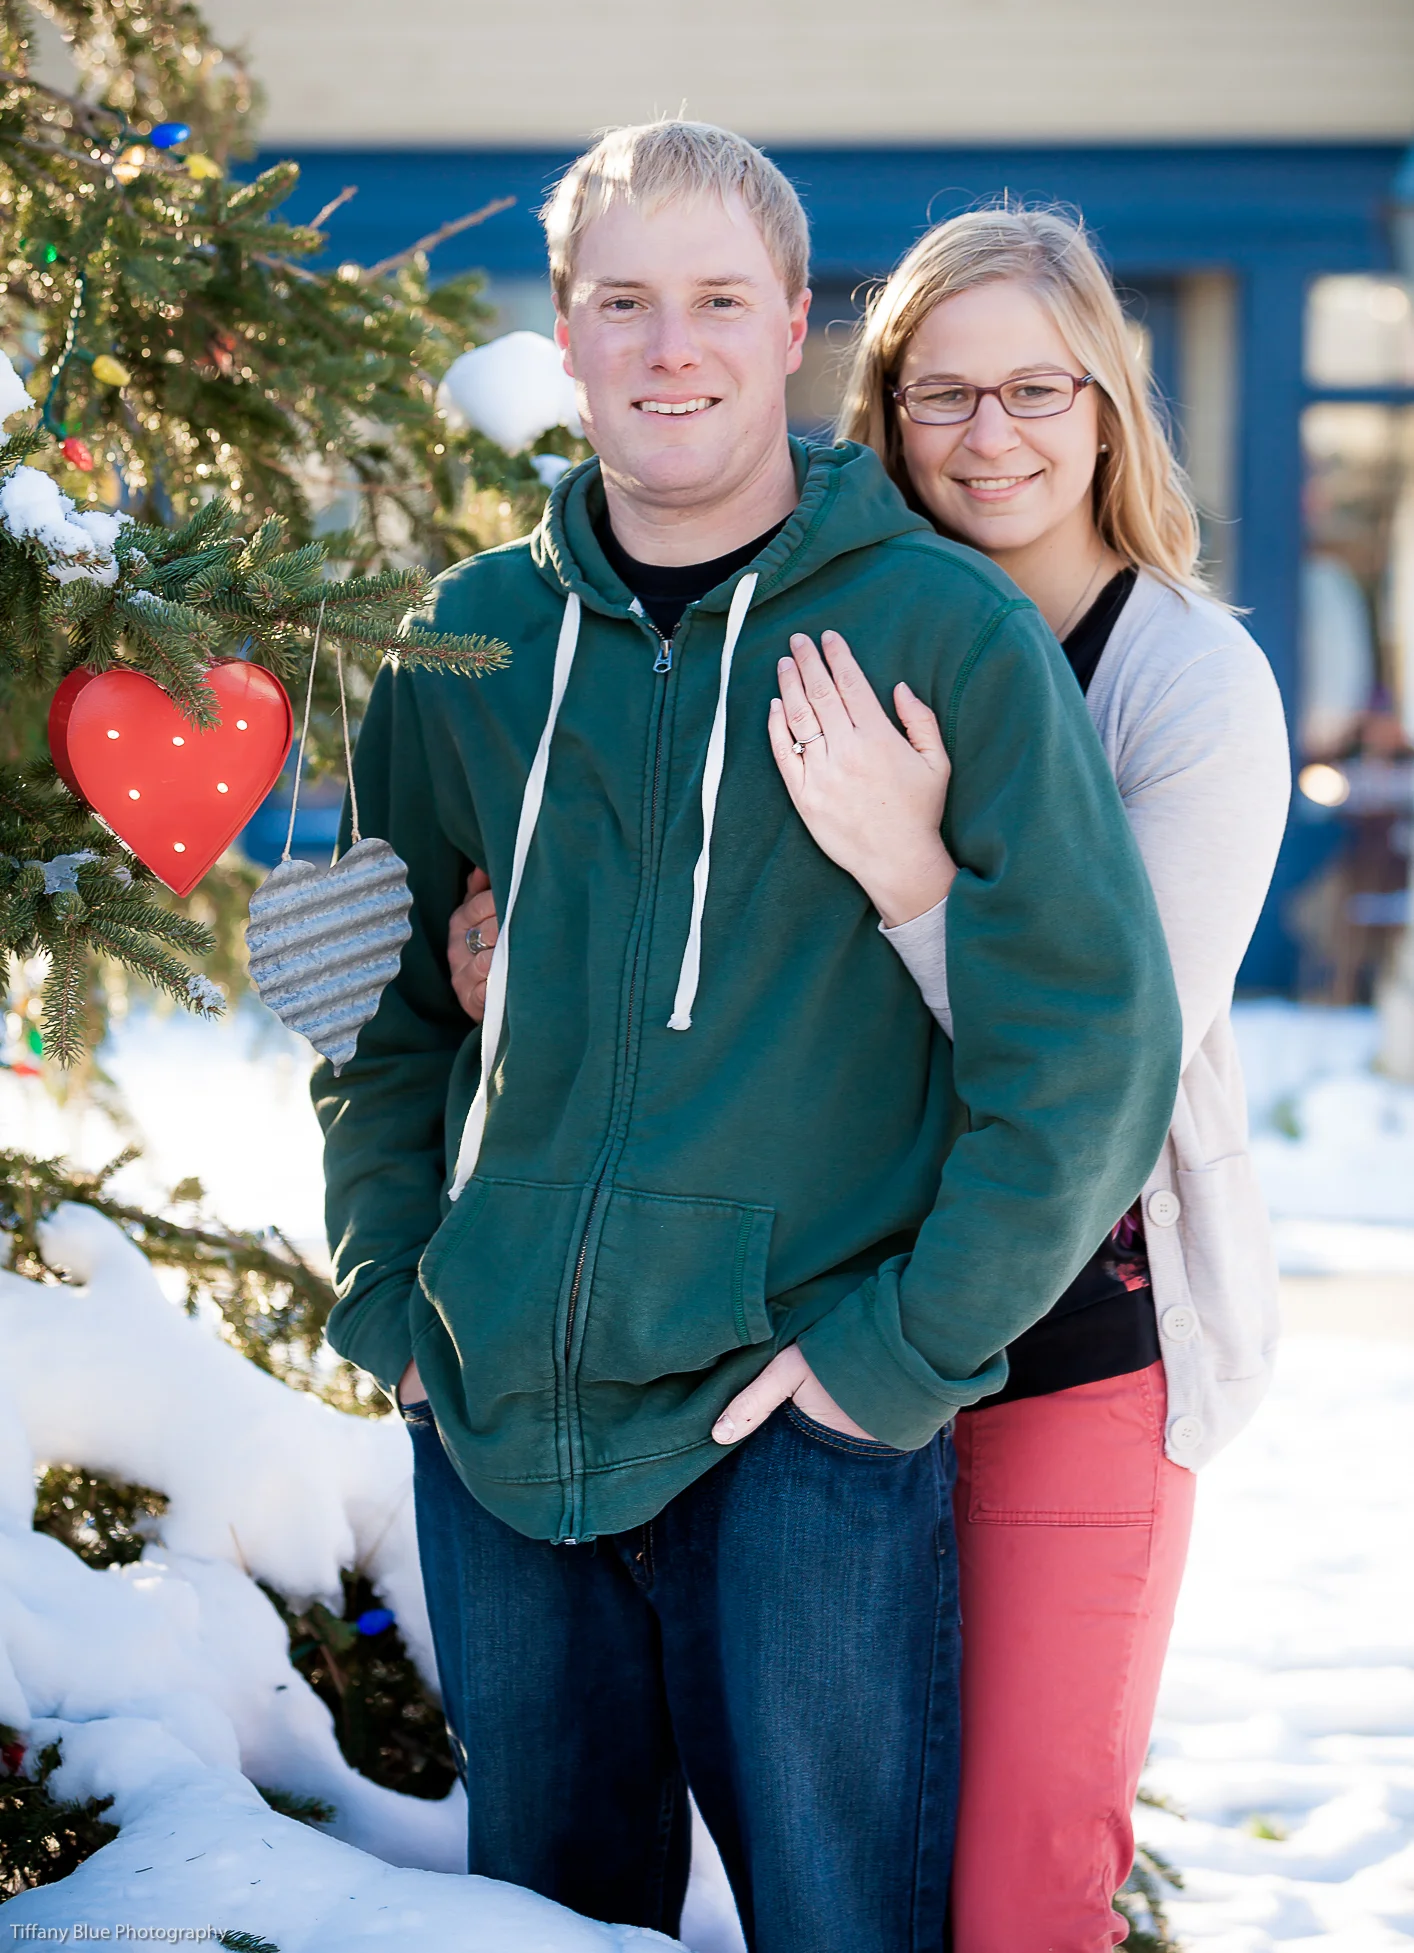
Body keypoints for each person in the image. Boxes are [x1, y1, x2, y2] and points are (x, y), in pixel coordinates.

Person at [321, 124, 1180, 1953]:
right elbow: (377, 1012)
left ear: (794, 325)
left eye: (718, 298)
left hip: (798, 1424)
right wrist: (395, 1293)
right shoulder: (462, 644)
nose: (670, 345)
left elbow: (1088, 1047)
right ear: (562, 330)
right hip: (499, 1427)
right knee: (539, 1929)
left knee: (835, 1926)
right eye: (622, 301)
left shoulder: (935, 627)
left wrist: (901, 1354)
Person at [736, 207, 1291, 1952]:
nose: (992, 438)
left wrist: (912, 877)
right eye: (942, 396)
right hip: (828, 1327)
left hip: (1080, 1343)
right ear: (883, 415)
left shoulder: (1187, 685)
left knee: (1012, 1893)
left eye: (1036, 389)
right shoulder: (845, 647)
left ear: (1108, 405)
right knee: (832, 1881)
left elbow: (1109, 1056)